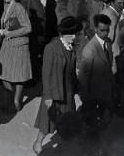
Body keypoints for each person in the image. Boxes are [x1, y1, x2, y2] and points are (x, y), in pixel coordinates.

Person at [33, 16, 81, 155]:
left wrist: (78, 88)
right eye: (70, 34)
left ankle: (62, 147)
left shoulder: (72, 48)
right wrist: (48, 96)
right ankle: (38, 142)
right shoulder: (51, 48)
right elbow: (45, 73)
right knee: (48, 122)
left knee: (67, 121)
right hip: (54, 92)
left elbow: (72, 72)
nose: (73, 36)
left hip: (68, 91)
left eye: (75, 33)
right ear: (62, 33)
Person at [0, 0, 32, 112]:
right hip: (8, 43)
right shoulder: (7, 6)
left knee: (18, 75)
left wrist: (9, 33)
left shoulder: (18, 7)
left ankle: (15, 101)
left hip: (18, 44)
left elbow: (28, 28)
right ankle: (11, 99)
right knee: (4, 74)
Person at [78, 13, 115, 127]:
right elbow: (84, 76)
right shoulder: (89, 49)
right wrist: (84, 97)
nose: (105, 33)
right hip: (94, 93)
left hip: (105, 89)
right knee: (91, 122)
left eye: (107, 30)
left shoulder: (108, 42)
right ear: (95, 29)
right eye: (102, 30)